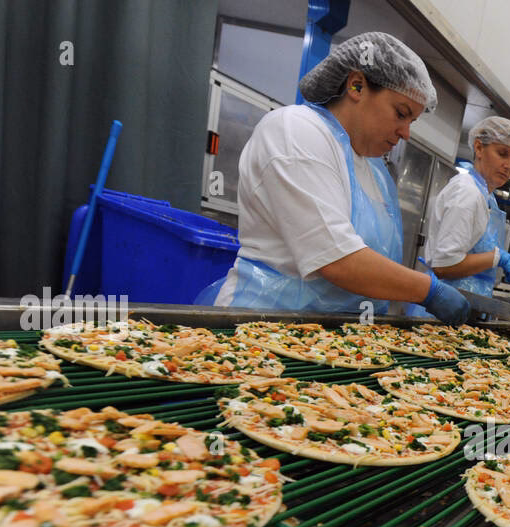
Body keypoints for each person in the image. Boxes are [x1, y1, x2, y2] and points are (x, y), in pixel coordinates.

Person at [198, 32, 471, 325]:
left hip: (336, 340)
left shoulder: (374, 170)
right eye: (400, 114)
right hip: (266, 328)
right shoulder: (297, 131)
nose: (406, 133)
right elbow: (337, 259)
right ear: (356, 86)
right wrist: (428, 290)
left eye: (411, 121)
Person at [410, 116, 510, 314]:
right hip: (441, 311)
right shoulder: (467, 192)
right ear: (479, 148)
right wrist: (498, 258)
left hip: (461, 307)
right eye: (502, 154)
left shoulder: (485, 195)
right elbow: (444, 266)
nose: (509, 166)